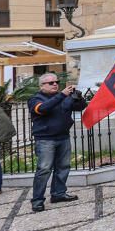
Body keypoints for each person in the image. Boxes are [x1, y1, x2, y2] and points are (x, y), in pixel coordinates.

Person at [28, 74, 88, 213]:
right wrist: (62, 95)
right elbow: (42, 109)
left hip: (63, 137)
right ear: (42, 86)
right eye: (50, 83)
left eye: (57, 82)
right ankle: (37, 201)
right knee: (44, 170)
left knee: (63, 167)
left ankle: (58, 194)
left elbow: (80, 107)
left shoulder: (64, 97)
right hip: (45, 139)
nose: (55, 84)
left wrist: (77, 97)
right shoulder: (35, 99)